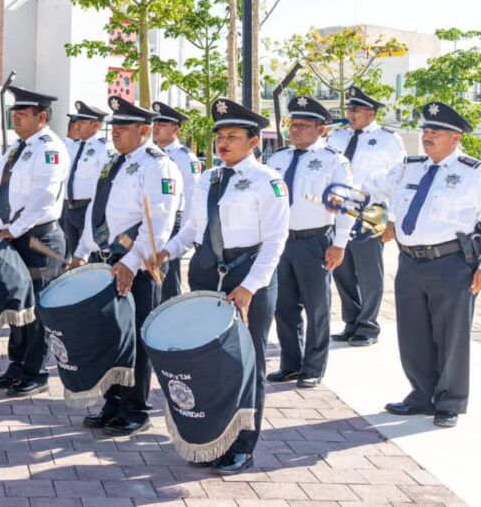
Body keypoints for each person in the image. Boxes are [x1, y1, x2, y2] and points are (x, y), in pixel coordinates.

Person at [157, 98, 288, 475]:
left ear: (253, 141)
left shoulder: (268, 182)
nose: (223, 142)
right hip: (205, 274)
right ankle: (211, 438)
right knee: (206, 362)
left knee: (246, 363)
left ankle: (243, 446)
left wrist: (250, 286)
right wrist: (166, 251)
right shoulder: (208, 178)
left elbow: (275, 241)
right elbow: (192, 229)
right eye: (220, 136)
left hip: (246, 277)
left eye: (232, 136)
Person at [361, 101, 481, 428]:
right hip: (410, 262)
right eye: (426, 130)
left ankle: (449, 401)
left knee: (451, 335)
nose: (428, 136)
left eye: (436, 131)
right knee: (413, 333)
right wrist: (380, 217)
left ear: (456, 137)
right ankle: (421, 394)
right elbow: (369, 189)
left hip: (452, 264)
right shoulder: (409, 167)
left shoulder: (476, 174)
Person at [69, 96, 180, 436]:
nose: (115, 132)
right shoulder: (114, 162)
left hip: (136, 268)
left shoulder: (158, 166)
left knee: (135, 340)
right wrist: (81, 250)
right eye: (114, 126)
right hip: (106, 261)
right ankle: (113, 403)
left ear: (144, 130)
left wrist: (131, 263)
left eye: (123, 127)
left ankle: (135, 409)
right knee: (110, 338)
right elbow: (96, 210)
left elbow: (158, 223)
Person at [0, 85, 70, 397]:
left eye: (22, 114)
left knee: (36, 308)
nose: (16, 119)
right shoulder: (16, 148)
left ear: (41, 117)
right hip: (14, 237)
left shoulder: (50, 149)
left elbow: (43, 197)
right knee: (17, 306)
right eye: (14, 114)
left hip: (38, 240)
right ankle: (17, 366)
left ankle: (35, 371)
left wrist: (14, 228)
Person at [265, 95, 355, 389]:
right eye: (293, 123)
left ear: (321, 130)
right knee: (284, 306)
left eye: (304, 125)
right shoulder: (278, 158)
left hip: (315, 240)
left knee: (317, 307)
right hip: (281, 241)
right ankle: (291, 364)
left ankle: (313, 367)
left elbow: (344, 203)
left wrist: (340, 243)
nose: (296, 129)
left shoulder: (333, 160)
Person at [326, 86, 406, 346]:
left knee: (369, 270)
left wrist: (393, 219)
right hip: (340, 208)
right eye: (349, 109)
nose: (350, 114)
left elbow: (400, 179)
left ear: (371, 113)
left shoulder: (388, 139)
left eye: (356, 110)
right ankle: (351, 321)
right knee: (342, 269)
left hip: (372, 210)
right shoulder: (337, 136)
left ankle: (368, 326)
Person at [151, 101, 202, 301]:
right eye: (155, 123)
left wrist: (185, 236)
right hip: (148, 222)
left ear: (175, 129)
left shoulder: (185, 158)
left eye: (162, 124)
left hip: (172, 223)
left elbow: (192, 197)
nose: (156, 128)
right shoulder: (150, 154)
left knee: (168, 280)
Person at [61, 101, 109, 261]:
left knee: (92, 260)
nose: (77, 125)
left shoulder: (103, 149)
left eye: (82, 122)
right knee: (75, 258)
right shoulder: (73, 147)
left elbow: (106, 184)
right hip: (69, 210)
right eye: (77, 121)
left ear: (96, 124)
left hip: (88, 209)